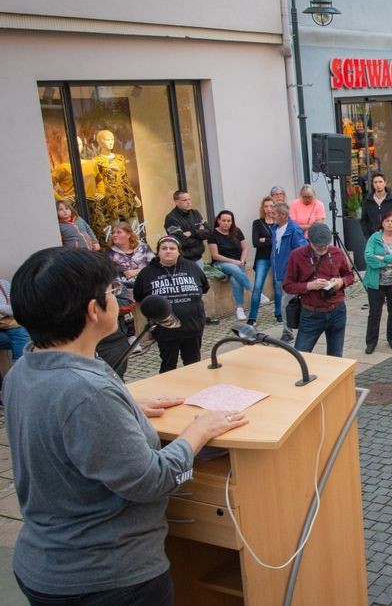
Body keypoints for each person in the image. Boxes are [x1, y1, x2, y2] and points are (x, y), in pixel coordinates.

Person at [3, 247, 247, 605]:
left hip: (46, 565)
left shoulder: (24, 370)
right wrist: (198, 431)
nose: (119, 299)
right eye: (111, 292)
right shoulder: (88, 394)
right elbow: (151, 481)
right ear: (93, 310)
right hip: (105, 580)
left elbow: (61, 422)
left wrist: (126, 409)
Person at [134, 235, 210, 372]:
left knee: (193, 365)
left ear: (179, 251)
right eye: (164, 248)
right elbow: (140, 298)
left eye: (172, 248)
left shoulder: (192, 268)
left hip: (192, 327)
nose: (168, 251)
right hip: (165, 331)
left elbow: (204, 288)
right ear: (158, 251)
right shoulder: (146, 273)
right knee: (168, 366)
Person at [283, 222, 354, 357]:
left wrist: (340, 282)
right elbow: (288, 285)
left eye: (325, 245)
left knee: (336, 356)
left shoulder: (336, 252)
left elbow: (350, 275)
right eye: (318, 245)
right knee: (300, 356)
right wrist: (310, 285)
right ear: (309, 241)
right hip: (311, 313)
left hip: (337, 310)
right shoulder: (297, 255)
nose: (322, 248)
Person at [363, 211, 392, 354]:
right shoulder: (374, 238)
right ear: (382, 222)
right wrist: (389, 260)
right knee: (374, 312)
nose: (389, 223)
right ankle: (371, 342)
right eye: (387, 221)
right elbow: (368, 257)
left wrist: (382, 258)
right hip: (376, 282)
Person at [270, 201, 308, 344]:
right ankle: (296, 327)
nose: (272, 216)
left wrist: (296, 272)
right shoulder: (275, 229)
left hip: (289, 273)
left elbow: (301, 252)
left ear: (283, 215)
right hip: (279, 271)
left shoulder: (294, 230)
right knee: (290, 302)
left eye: (274, 214)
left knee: (285, 302)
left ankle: (288, 332)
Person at [208, 210, 253, 321]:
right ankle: (254, 291)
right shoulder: (213, 234)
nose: (226, 223)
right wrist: (234, 262)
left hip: (239, 263)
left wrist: (242, 260)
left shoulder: (237, 231)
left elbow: (245, 248)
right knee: (233, 268)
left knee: (235, 279)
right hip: (221, 264)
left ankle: (239, 309)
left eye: (229, 221)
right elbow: (215, 255)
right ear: (218, 220)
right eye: (223, 220)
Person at [248, 196, 275, 326]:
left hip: (276, 257)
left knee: (279, 287)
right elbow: (255, 242)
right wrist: (271, 240)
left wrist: (266, 240)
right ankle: (252, 317)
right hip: (262, 258)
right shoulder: (257, 223)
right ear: (262, 208)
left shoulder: (279, 222)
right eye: (266, 206)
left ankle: (279, 314)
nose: (269, 209)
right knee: (258, 287)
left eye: (271, 206)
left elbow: (279, 241)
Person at [164, 190, 210, 266]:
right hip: (183, 260)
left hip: (199, 258)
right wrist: (199, 235)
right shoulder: (171, 218)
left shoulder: (195, 213)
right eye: (185, 200)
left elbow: (209, 232)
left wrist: (192, 233)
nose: (188, 202)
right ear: (176, 202)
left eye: (189, 199)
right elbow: (181, 241)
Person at [0, 277, 31, 362]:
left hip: (7, 324)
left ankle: (19, 367)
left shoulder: (3, 284)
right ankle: (20, 369)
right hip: (7, 325)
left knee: (22, 333)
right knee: (23, 338)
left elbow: (17, 308)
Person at [360, 172, 392, 238]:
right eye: (375, 182)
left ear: (385, 183)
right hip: (374, 238)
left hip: (391, 237)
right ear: (372, 184)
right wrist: (368, 236)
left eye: (380, 182)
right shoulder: (367, 201)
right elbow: (363, 220)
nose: (378, 184)